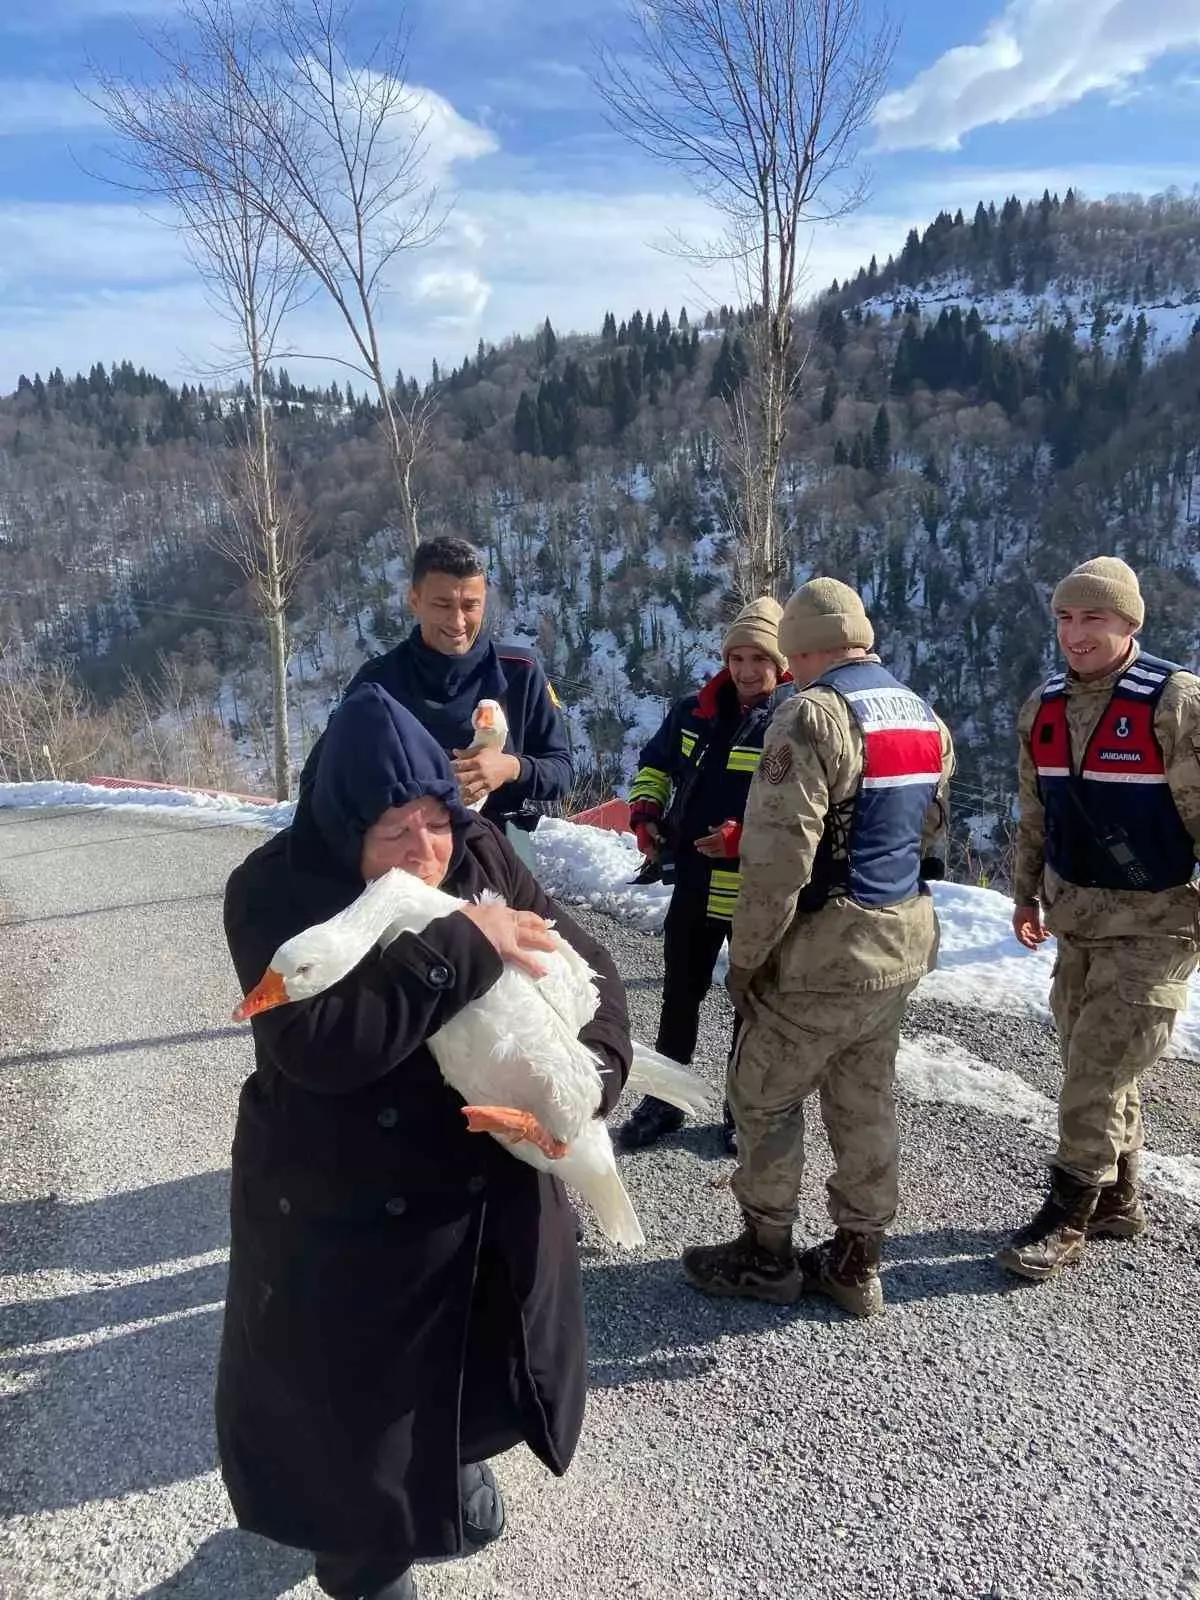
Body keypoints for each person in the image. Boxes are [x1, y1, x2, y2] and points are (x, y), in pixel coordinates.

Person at [219, 683, 632, 1600]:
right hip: (341, 1202)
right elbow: (319, 1045)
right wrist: (464, 943)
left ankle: (451, 1462)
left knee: (473, 1367)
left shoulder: (479, 847)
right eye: (393, 832)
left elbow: (589, 967)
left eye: (433, 822)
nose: (424, 852)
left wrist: (587, 1086)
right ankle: (366, 1563)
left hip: (474, 1189)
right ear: (340, 827)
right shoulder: (271, 891)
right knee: (355, 1433)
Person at [681, 578, 954, 1317]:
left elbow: (775, 862)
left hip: (825, 951)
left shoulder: (811, 715)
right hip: (899, 939)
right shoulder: (921, 714)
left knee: (763, 1097)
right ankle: (857, 1257)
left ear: (799, 649)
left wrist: (747, 960)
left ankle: (764, 1253)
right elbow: (928, 830)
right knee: (863, 1099)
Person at [1000, 556, 1200, 1281]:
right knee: (1097, 1062)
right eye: (1065, 618)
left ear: (1130, 622)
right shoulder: (1045, 706)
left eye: (1094, 618)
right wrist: (1025, 896)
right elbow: (1035, 814)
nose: (1076, 634)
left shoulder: (1174, 702)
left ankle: (1067, 1213)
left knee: (1094, 1071)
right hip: (1076, 915)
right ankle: (1118, 1194)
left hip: (1158, 924)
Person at [618, 597, 792, 1154]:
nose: (745, 670)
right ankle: (664, 1099)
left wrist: (743, 838)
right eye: (736, 657)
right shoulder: (693, 711)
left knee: (752, 1002)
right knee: (679, 991)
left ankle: (742, 1110)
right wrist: (645, 814)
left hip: (753, 887)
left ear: (780, 663)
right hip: (694, 880)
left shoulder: (795, 719)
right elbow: (653, 765)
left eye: (759, 659)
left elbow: (797, 805)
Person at [299, 534, 572, 829]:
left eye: (470, 606)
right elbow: (318, 779)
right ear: (415, 600)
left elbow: (561, 771)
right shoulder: (377, 684)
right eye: (442, 605)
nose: (457, 622)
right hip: (405, 849)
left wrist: (509, 767)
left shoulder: (521, 672)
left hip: (498, 847)